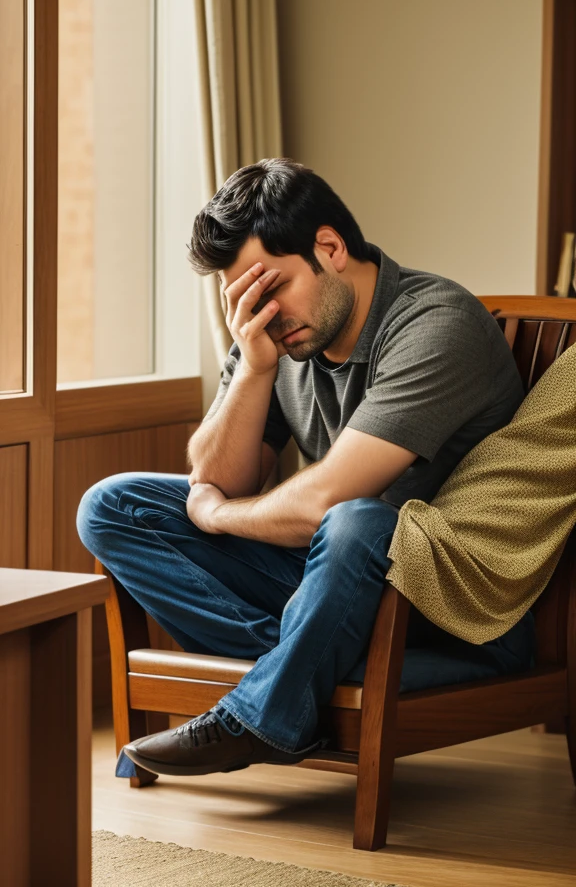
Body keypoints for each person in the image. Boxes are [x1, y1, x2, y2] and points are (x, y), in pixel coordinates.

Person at [77, 157, 531, 779]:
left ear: (330, 247)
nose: (263, 312)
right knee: (111, 506)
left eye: (273, 286)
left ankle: (271, 699)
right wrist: (257, 368)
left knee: (358, 522)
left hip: (446, 609)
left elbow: (314, 504)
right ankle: (291, 676)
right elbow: (218, 472)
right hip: (331, 592)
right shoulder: (274, 336)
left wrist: (217, 512)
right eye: (244, 297)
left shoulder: (436, 323)